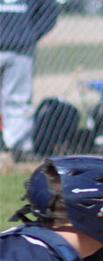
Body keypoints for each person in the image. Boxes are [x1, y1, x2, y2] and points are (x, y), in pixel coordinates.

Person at [0, 0, 58, 157]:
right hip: (22, 47)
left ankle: (20, 147)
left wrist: (30, 35)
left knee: (18, 99)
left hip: (21, 49)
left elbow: (49, 11)